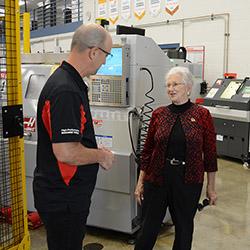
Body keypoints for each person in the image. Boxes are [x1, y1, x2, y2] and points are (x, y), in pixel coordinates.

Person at [33, 23, 114, 250]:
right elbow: (66, 152)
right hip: (64, 198)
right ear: (94, 52)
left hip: (61, 195)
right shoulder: (66, 90)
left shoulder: (67, 81)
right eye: (106, 55)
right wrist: (101, 156)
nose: (105, 61)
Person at [134, 66, 217, 250]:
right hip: (157, 179)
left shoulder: (202, 115)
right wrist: (140, 182)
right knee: (147, 228)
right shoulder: (159, 114)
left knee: (184, 229)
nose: (170, 89)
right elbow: (147, 151)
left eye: (175, 84)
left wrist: (211, 188)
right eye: (168, 85)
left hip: (188, 181)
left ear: (188, 87)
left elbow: (210, 154)